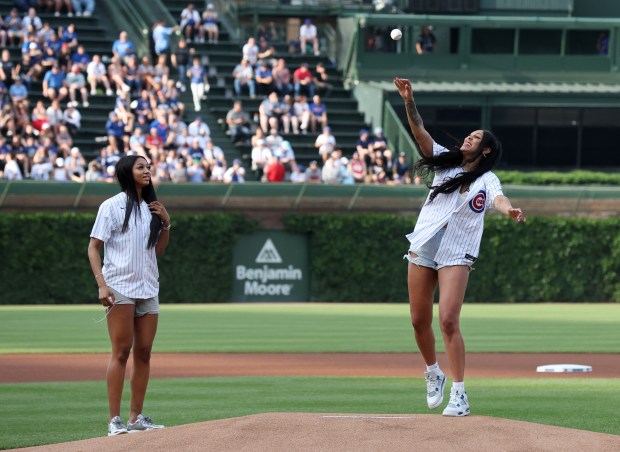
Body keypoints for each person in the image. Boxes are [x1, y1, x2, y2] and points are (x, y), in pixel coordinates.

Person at [394, 76, 525, 417]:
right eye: (470, 134)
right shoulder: (445, 161)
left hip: (456, 252)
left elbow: (498, 197)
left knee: (448, 320)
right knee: (418, 320)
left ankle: (460, 393)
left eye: (476, 138)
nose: (469, 136)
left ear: (485, 150)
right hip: (423, 246)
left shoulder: (486, 178)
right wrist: (409, 100)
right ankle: (432, 372)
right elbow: (420, 133)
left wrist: (508, 209)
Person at [87, 155, 171, 436]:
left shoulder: (152, 208)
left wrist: (166, 224)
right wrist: (102, 285)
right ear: (127, 172)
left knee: (144, 352)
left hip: (148, 286)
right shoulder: (110, 206)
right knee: (121, 352)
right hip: (119, 286)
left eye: (148, 167)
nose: (147, 171)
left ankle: (136, 417)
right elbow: (93, 248)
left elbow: (158, 251)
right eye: (141, 167)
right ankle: (114, 420)